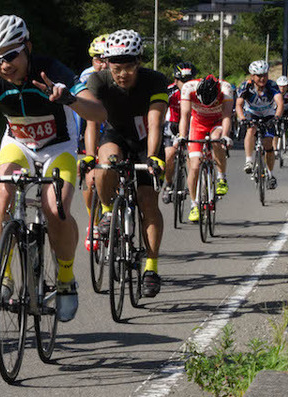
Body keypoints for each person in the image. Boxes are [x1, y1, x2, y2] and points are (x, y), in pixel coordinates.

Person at [0, 15, 107, 322]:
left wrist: (69, 98)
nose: (4, 65)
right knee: (3, 195)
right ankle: (4, 277)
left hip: (59, 147)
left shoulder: (51, 69)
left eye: (11, 55)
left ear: (27, 47)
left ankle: (66, 279)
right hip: (19, 144)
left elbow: (98, 111)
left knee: (54, 209)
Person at [85, 29, 167, 298]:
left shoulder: (155, 81)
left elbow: (155, 121)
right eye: (116, 68)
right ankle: (108, 211)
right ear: (107, 64)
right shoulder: (98, 80)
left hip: (146, 140)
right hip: (116, 135)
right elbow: (92, 122)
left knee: (148, 201)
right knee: (105, 162)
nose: (122, 74)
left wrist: (153, 155)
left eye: (128, 67)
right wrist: (88, 155)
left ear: (139, 62)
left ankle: (151, 269)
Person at [178, 74, 233, 222]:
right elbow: (185, 115)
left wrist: (226, 136)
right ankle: (194, 204)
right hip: (197, 124)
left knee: (216, 140)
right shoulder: (188, 88)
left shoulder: (226, 89)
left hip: (217, 122)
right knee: (194, 166)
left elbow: (227, 116)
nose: (207, 106)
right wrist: (182, 136)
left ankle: (221, 178)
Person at [78, 33, 109, 252]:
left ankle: (114, 212)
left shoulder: (122, 74)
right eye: (98, 58)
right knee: (90, 179)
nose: (103, 63)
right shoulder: (86, 77)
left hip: (116, 129)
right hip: (92, 129)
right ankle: (94, 222)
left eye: (108, 58)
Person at [235, 60, 283, 190]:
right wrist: (242, 118)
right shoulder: (246, 86)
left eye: (265, 75)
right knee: (251, 130)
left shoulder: (272, 85)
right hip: (252, 113)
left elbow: (279, 103)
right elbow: (239, 105)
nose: (262, 78)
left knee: (268, 144)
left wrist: (277, 117)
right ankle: (249, 161)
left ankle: (270, 174)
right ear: (252, 76)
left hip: (268, 114)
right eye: (259, 75)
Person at [161, 62, 198, 205]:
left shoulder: (198, 91)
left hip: (191, 125)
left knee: (192, 159)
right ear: (176, 80)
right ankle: (169, 184)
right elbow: (161, 110)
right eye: (183, 81)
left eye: (189, 80)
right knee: (169, 155)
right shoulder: (169, 91)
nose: (187, 84)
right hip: (173, 125)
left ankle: (192, 189)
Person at [275, 76, 288, 148]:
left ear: (287, 86)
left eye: (284, 86)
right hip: (277, 110)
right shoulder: (274, 92)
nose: (282, 89)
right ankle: (275, 145)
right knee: (275, 126)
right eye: (280, 86)